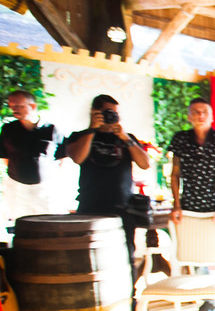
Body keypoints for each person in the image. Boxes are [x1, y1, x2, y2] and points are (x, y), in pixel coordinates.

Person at [60, 95, 152, 286]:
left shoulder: (127, 138)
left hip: (123, 207)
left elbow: (145, 163)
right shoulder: (79, 136)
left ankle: (130, 300)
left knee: (126, 254)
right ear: (95, 112)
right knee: (92, 258)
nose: (112, 117)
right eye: (108, 113)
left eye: (115, 114)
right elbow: (77, 157)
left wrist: (125, 138)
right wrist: (93, 129)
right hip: (90, 206)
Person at [168, 98, 215, 311]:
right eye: (195, 112)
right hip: (190, 206)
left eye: (204, 111)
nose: (200, 115)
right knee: (197, 254)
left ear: (212, 116)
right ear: (188, 116)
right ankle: (209, 301)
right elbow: (175, 173)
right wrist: (176, 204)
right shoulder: (180, 139)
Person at [1, 89, 61, 223]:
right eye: (11, 106)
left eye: (19, 106)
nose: (14, 109)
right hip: (17, 188)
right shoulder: (8, 129)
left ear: (33, 106)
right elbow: (5, 157)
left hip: (44, 189)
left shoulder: (51, 129)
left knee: (48, 224)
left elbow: (62, 158)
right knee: (20, 225)